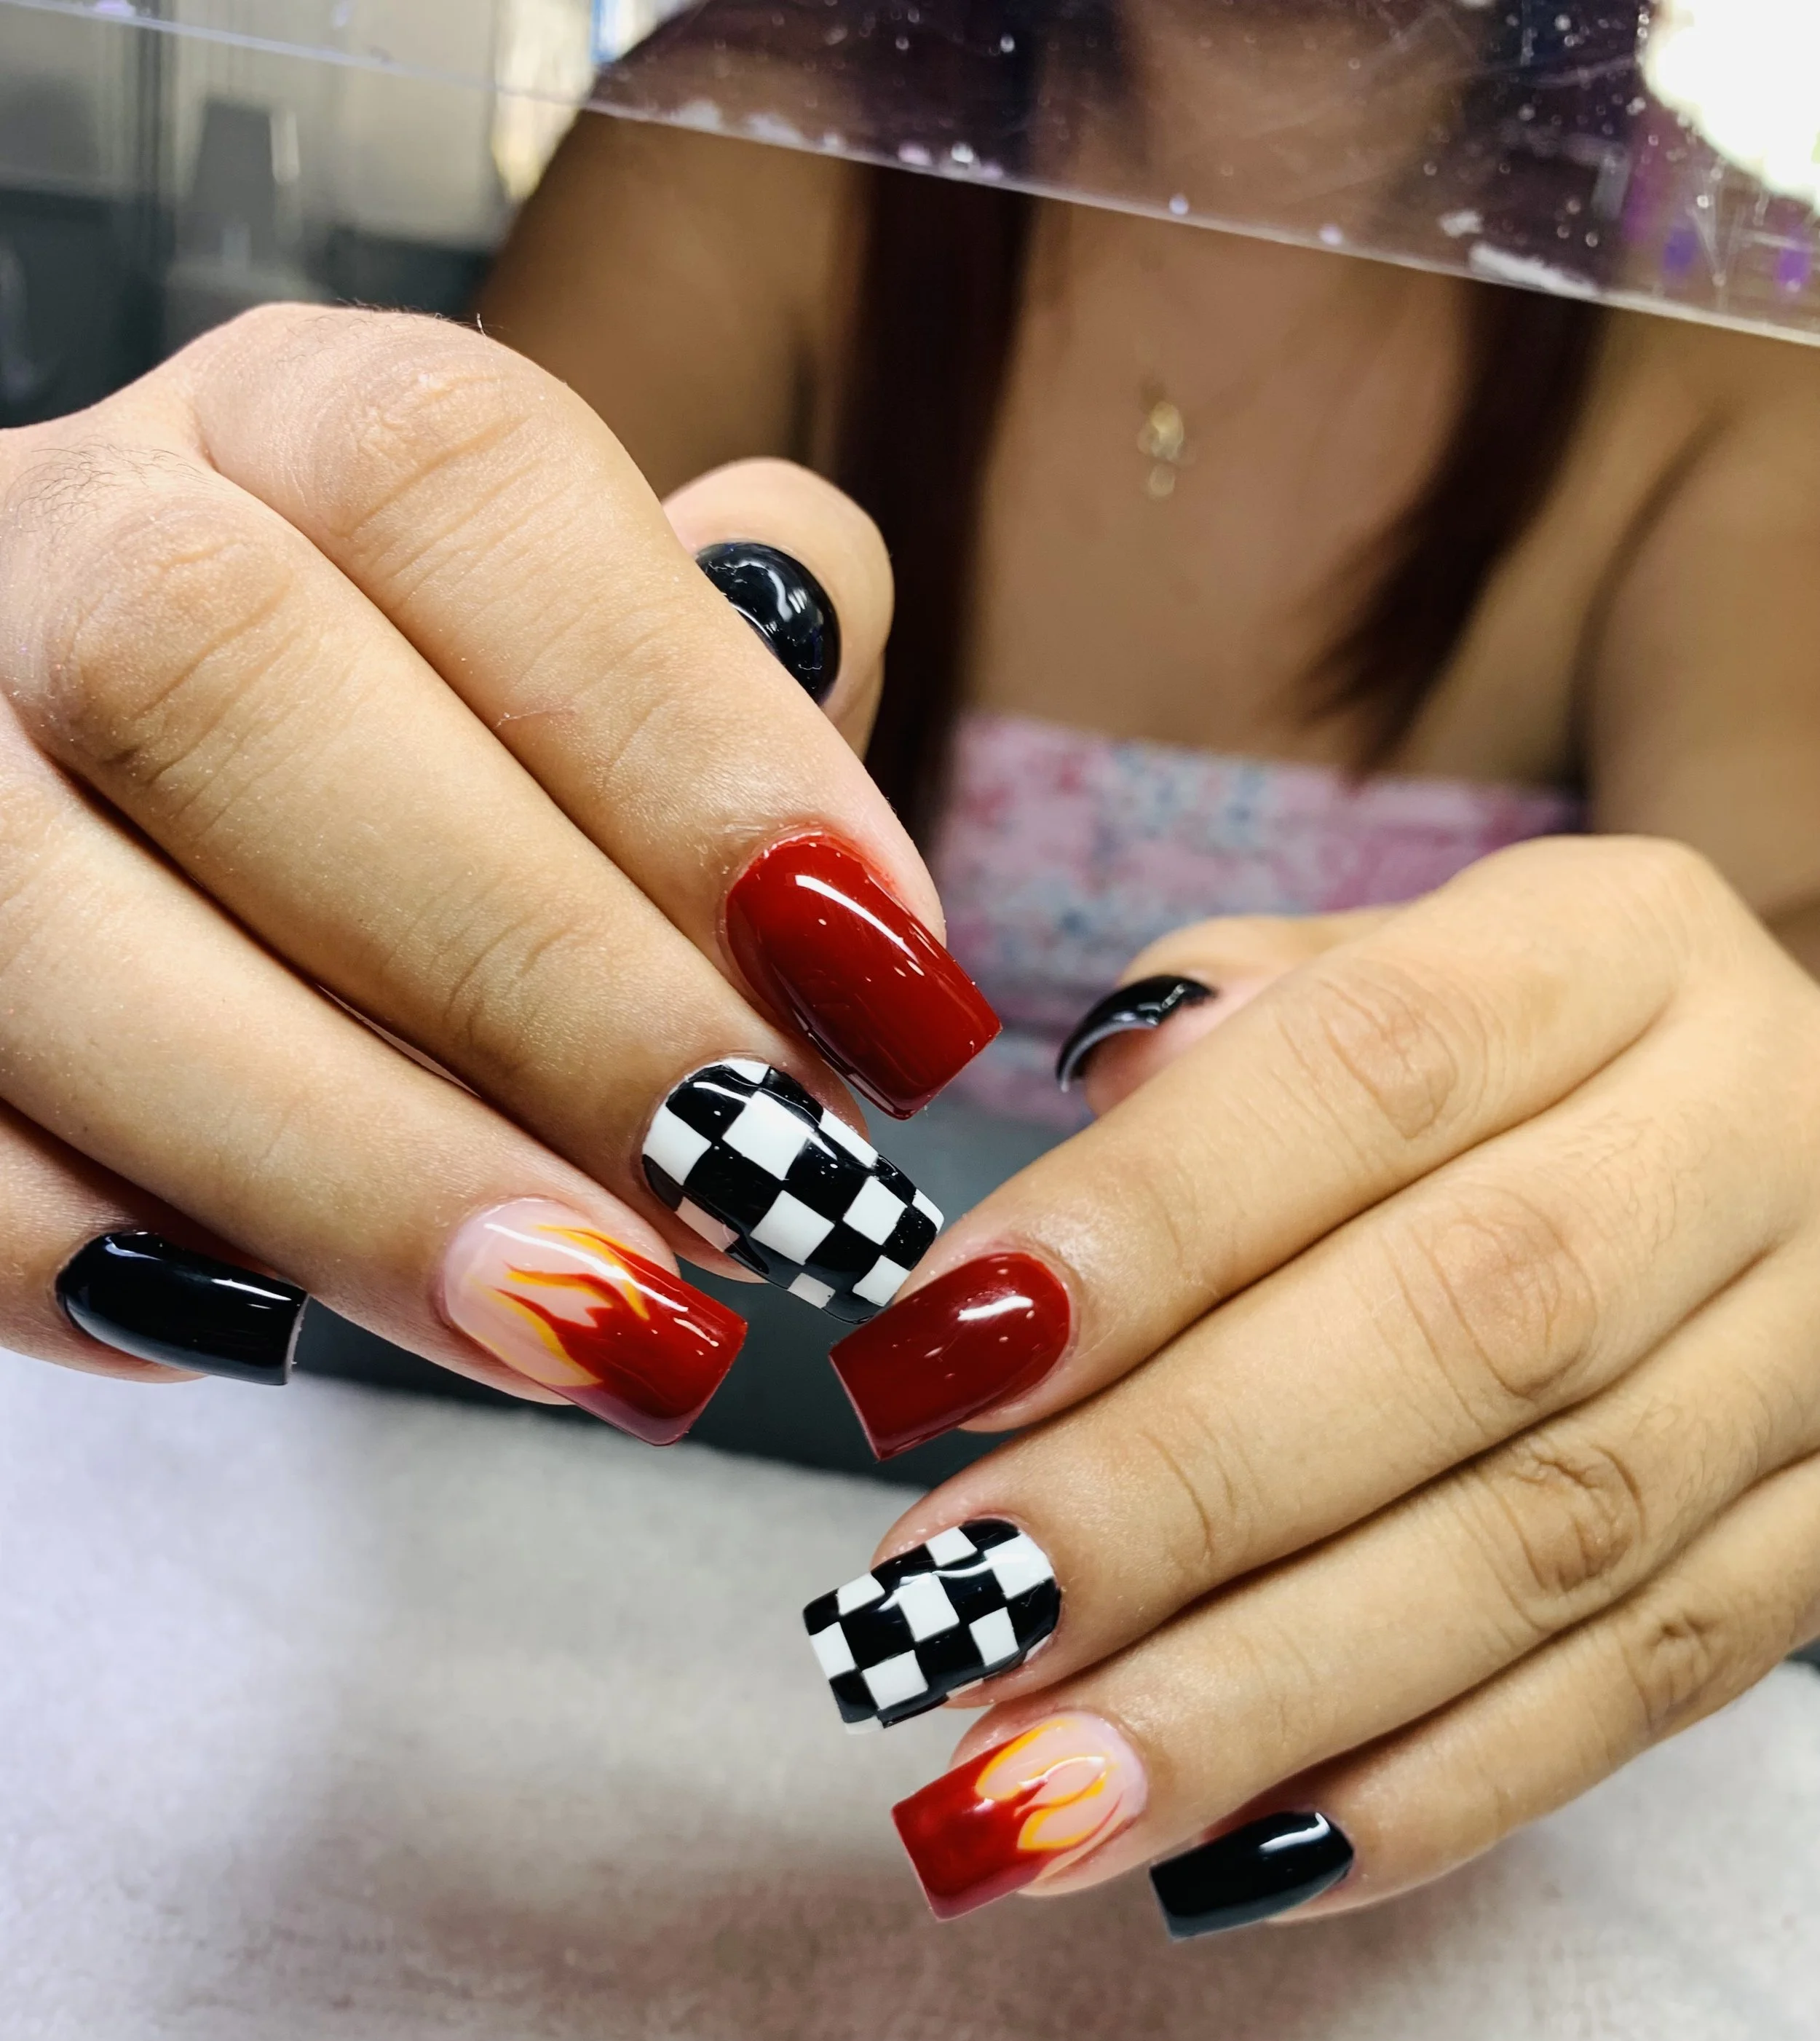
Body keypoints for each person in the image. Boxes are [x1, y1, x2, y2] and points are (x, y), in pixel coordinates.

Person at [3, 0, 1820, 1943]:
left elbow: (1763, 978)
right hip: (509, 1640)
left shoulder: (1742, 330)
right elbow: (417, 777)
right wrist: (225, 700)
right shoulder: (742, 148)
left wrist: (1732, 1130)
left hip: (1317, 1700)